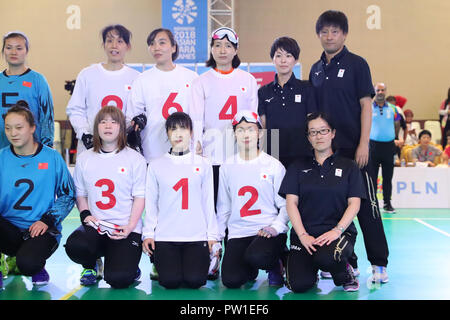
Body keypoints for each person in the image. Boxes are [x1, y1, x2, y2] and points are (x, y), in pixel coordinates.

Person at [309, 10, 389, 283]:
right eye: (324, 31)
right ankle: (347, 262)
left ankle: (379, 263)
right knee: (335, 208)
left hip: (357, 151)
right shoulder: (316, 69)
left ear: (344, 34)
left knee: (367, 207)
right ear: (318, 34)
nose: (329, 36)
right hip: (327, 153)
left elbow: (366, 106)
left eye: (334, 31)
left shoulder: (357, 64)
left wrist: (363, 144)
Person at [279, 112, 364, 292]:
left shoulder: (349, 167)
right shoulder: (297, 167)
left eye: (323, 131)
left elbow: (354, 204)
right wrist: (302, 235)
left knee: (327, 258)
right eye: (313, 132)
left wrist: (337, 230)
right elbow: (291, 203)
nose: (319, 136)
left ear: (332, 133)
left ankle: (344, 271)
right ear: (308, 138)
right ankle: (308, 267)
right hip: (305, 236)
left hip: (338, 233)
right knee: (298, 285)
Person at [65, 106, 146, 288]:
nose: (108, 126)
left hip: (124, 228)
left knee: (119, 279)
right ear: (96, 128)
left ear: (121, 128)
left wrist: (130, 226)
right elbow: (81, 193)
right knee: (75, 245)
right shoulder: (85, 158)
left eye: (114, 121)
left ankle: (127, 262)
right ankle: (91, 264)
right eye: (103, 121)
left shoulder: (135, 159)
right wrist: (86, 215)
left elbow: (140, 197)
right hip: (97, 226)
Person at [0, 101, 75, 288]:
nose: (13, 133)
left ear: (32, 128)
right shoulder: (1, 157)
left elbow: (68, 195)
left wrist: (48, 220)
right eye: (8, 128)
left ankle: (35, 262)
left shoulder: (51, 158)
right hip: (8, 230)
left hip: (40, 229)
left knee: (28, 264)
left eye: (19, 127)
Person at [142, 112, 219, 289]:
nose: (178, 133)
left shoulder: (203, 164)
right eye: (173, 129)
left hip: (196, 236)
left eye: (183, 128)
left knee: (196, 281)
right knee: (169, 282)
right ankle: (160, 262)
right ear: (167, 134)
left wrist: (212, 236)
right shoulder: (156, 165)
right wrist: (149, 234)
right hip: (166, 236)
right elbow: (151, 204)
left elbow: (208, 202)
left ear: (191, 132)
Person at [216, 110, 289, 288]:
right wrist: (216, 239)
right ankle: (251, 267)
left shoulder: (273, 165)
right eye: (240, 130)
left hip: (267, 230)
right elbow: (224, 208)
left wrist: (275, 228)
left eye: (250, 129)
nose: (245, 134)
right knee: (231, 280)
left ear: (259, 133)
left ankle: (278, 261)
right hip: (238, 233)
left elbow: (286, 206)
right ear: (234, 135)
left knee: (258, 256)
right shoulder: (227, 167)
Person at [190, 27, 258, 206]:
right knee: (212, 203)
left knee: (237, 202)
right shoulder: (201, 81)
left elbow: (254, 118)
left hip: (240, 153)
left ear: (235, 50)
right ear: (211, 49)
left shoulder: (248, 80)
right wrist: (196, 143)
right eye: (217, 45)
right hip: (211, 153)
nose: (222, 50)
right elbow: (196, 117)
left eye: (228, 46)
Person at [126, 28, 199, 162]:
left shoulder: (191, 77)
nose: (156, 47)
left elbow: (198, 115)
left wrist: (197, 143)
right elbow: (131, 116)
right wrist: (136, 122)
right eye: (152, 44)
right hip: (152, 151)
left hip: (186, 151)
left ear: (173, 47)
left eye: (162, 43)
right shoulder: (142, 80)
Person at [66, 24, 140, 155]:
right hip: (91, 146)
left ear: (127, 46)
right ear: (104, 45)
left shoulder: (136, 78)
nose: (114, 46)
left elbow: (136, 112)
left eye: (120, 41)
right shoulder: (87, 74)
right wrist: (84, 134)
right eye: (109, 41)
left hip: (123, 148)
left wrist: (127, 133)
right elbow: (75, 109)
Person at [258, 36, 317, 169]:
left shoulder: (306, 88)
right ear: (273, 59)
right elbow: (264, 126)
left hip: (301, 153)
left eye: (288, 55)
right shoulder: (263, 92)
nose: (283, 60)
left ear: (295, 60)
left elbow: (311, 122)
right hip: (273, 155)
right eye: (278, 56)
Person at [0, 31, 54, 149]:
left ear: (26, 51)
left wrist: (46, 148)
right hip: (2, 149)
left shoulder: (38, 80)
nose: (13, 52)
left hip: (32, 150)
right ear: (3, 50)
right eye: (9, 48)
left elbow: (47, 117)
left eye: (19, 48)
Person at [370, 83, 399, 214]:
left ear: (386, 91)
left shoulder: (393, 108)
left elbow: (399, 123)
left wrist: (396, 137)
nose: (380, 92)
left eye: (382, 90)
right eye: (378, 90)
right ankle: (373, 204)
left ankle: (387, 203)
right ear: (374, 91)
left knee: (388, 177)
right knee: (372, 177)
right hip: (373, 146)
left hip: (389, 147)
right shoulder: (368, 107)